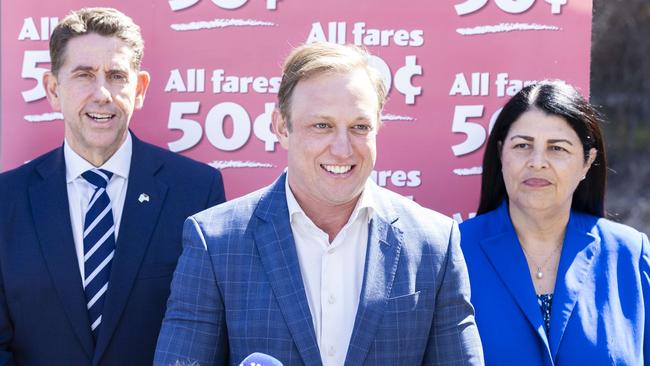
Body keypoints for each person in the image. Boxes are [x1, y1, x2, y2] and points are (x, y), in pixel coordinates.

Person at [154, 42, 483, 366]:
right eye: (322, 126)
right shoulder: (215, 242)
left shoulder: (434, 243)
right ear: (282, 127)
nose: (342, 148)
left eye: (359, 127)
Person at [0, 7, 226, 365]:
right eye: (84, 75)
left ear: (139, 89)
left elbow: (207, 338)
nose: (102, 93)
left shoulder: (197, 192)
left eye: (117, 75)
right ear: (53, 89)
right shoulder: (6, 201)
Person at [460, 80, 649, 365]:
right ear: (501, 154)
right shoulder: (453, 252)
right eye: (523, 145)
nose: (538, 162)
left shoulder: (630, 254)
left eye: (557, 148)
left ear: (587, 162)